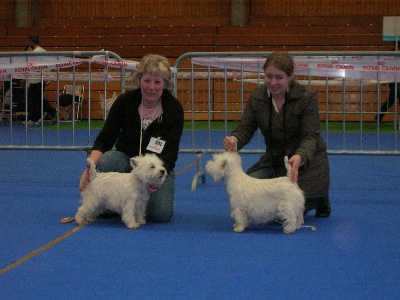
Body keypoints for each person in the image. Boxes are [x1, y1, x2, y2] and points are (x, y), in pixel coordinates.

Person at [223, 51, 331, 217]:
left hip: (307, 163)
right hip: (274, 160)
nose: (272, 82)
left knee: (287, 213)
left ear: (290, 76)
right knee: (248, 191)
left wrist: (300, 156)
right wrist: (235, 139)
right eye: (268, 76)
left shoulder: (307, 98)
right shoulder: (257, 97)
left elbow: (311, 136)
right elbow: (245, 127)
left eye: (279, 77)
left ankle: (320, 197)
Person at [79, 54, 184, 223]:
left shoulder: (174, 109)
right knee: (107, 160)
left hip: (157, 167)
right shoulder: (124, 102)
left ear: (165, 84)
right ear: (139, 79)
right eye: (147, 80)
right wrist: (89, 167)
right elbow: (106, 137)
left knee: (160, 214)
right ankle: (117, 199)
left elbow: (171, 151)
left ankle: (120, 202)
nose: (151, 87)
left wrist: (159, 178)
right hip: (126, 161)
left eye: (157, 82)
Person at [26, 35, 57, 125]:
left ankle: (51, 113)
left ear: (31, 42)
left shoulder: (33, 53)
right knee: (37, 100)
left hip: (35, 80)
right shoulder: (44, 51)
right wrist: (47, 76)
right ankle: (35, 118)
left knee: (36, 100)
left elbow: (31, 66)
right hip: (41, 79)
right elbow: (49, 65)